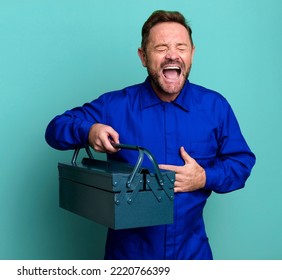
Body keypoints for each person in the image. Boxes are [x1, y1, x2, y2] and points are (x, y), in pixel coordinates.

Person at [45, 10, 256, 259]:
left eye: (181, 47)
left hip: (193, 255)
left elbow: (241, 164)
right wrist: (89, 130)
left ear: (192, 54)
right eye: (161, 47)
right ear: (143, 56)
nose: (172, 55)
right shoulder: (115, 106)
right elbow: (55, 129)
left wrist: (204, 177)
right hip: (128, 259)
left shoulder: (215, 107)